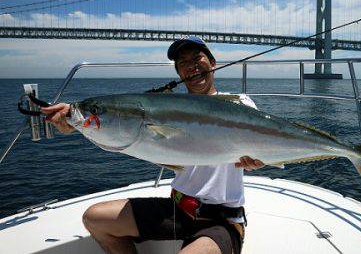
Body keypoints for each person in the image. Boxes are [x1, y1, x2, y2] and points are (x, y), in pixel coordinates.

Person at [41, 36, 264, 254]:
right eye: (183, 63)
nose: (192, 66)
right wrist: (74, 122)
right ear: (179, 73)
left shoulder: (241, 104)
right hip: (178, 209)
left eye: (197, 58)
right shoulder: (164, 109)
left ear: (212, 63)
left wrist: (257, 160)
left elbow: (264, 147)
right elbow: (119, 137)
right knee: (94, 218)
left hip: (222, 219)